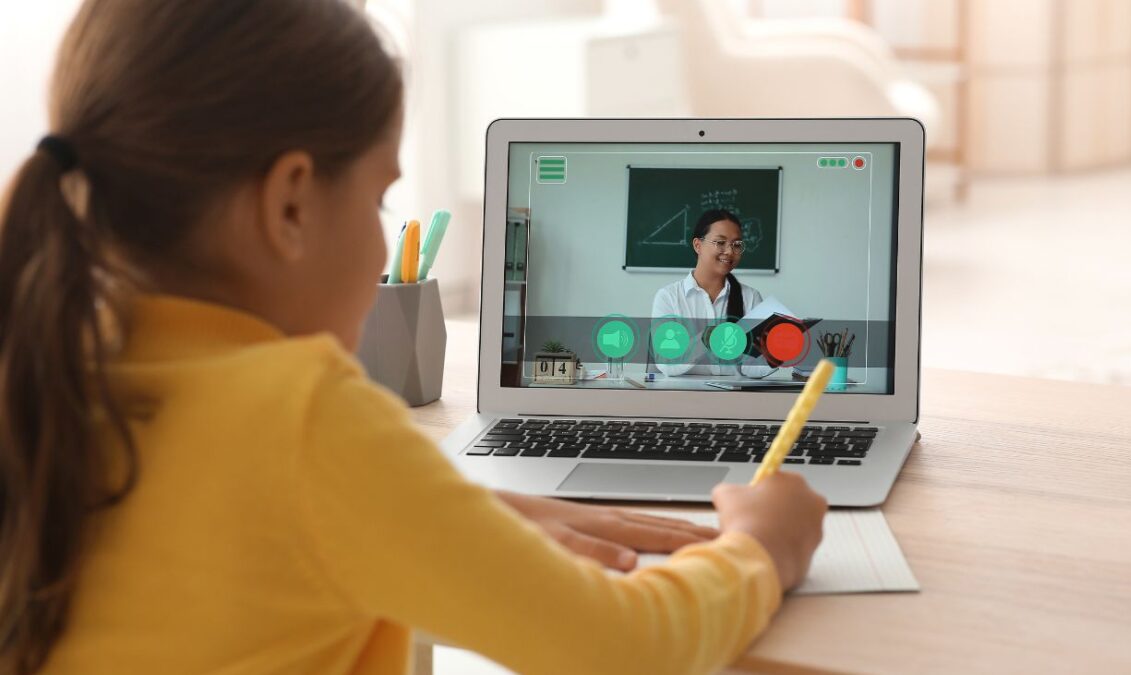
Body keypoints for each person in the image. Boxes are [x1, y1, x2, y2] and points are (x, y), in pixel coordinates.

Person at [0, 2, 826, 673]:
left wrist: (441, 515)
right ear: (290, 205)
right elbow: (625, 645)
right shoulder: (305, 418)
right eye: (380, 198)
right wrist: (762, 548)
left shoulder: (46, 366)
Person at [652, 209, 773, 377]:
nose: (730, 251)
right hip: (682, 397)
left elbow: (752, 367)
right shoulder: (669, 297)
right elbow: (666, 362)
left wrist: (774, 354)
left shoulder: (750, 297)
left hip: (736, 399)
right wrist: (706, 339)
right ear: (697, 245)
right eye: (720, 242)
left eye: (736, 244)